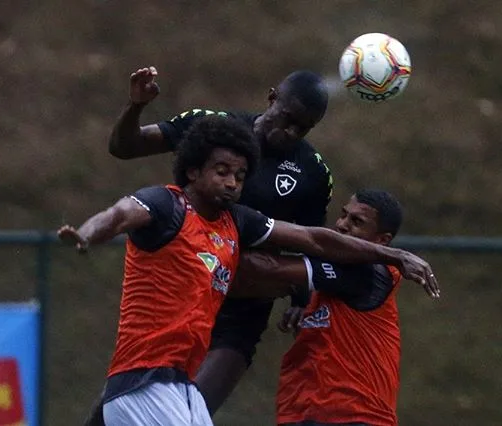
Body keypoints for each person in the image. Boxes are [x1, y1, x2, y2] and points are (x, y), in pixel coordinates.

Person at [60, 115, 437, 426]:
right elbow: (120, 214)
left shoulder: (237, 223)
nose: (231, 182)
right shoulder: (165, 204)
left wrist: (393, 257)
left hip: (179, 385)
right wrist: (87, 234)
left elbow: (309, 238)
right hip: (145, 380)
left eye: (240, 176)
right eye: (222, 171)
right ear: (192, 170)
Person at [108, 65, 336, 413]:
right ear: (272, 97)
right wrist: (136, 106)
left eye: (303, 128)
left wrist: (301, 299)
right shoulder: (213, 128)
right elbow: (124, 147)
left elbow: (309, 240)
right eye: (287, 117)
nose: (290, 131)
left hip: (242, 311)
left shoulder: (313, 173)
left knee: (190, 412)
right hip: (180, 300)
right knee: (126, 406)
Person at [233, 189, 435, 426]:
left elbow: (267, 268)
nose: (341, 225)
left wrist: (235, 224)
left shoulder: (370, 273)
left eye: (356, 222)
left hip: (357, 417)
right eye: (343, 215)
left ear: (382, 241)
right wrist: (301, 302)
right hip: (301, 412)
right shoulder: (325, 283)